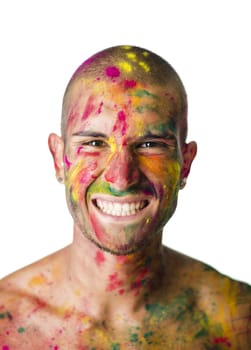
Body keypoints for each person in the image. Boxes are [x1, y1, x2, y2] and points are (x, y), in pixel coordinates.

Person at [0, 45, 250, 350]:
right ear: (58, 158)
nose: (121, 177)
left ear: (185, 162)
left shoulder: (237, 322)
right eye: (94, 142)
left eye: (149, 144)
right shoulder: (7, 323)